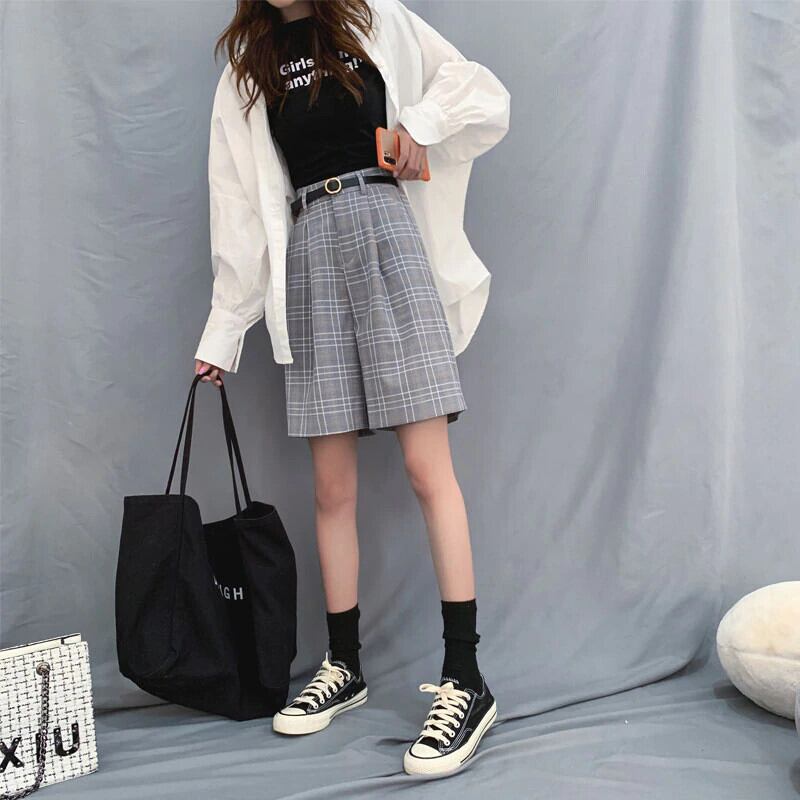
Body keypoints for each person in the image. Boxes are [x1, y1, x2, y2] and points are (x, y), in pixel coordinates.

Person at [193, 0, 510, 778]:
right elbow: (237, 202)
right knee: (332, 487)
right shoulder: (248, 70)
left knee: (428, 469)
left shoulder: (375, 20)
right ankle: (344, 664)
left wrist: (419, 127)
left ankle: (466, 677)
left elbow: (479, 90)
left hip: (386, 229)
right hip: (307, 249)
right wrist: (224, 330)